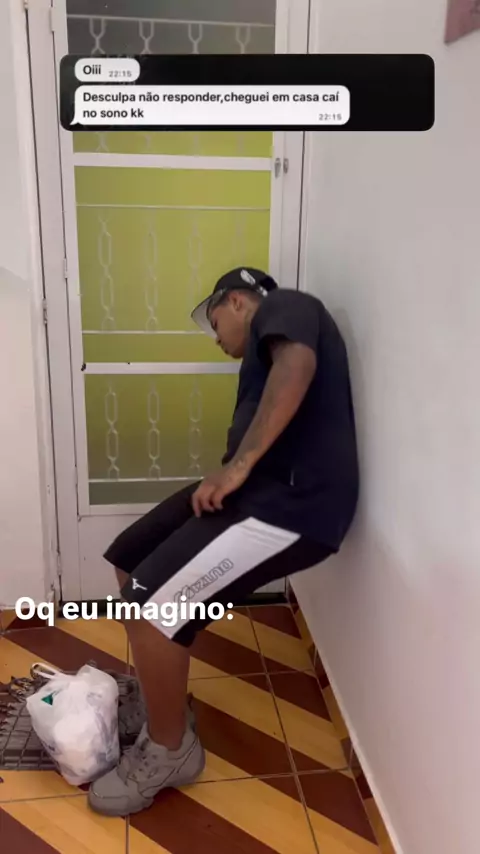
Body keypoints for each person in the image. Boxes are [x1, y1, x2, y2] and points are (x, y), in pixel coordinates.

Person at [88, 267, 359, 816]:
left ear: (237, 301)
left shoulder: (285, 307)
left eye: (214, 323)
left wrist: (236, 468)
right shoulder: (263, 346)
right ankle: (163, 701)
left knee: (149, 608)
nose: (216, 339)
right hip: (257, 493)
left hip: (293, 507)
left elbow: (298, 364)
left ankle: (170, 751)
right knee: (129, 557)